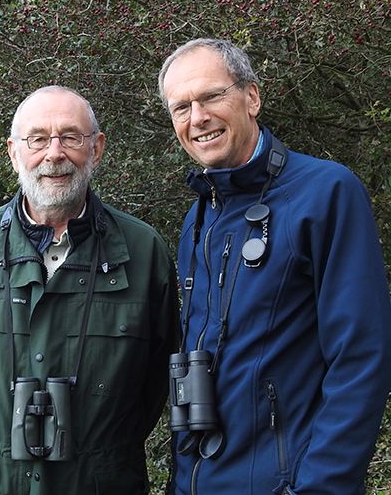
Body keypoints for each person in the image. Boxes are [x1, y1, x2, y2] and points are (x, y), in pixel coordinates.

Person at [158, 38, 391, 494]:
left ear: (252, 97)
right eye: (181, 107)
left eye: (211, 96)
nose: (197, 117)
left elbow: (362, 357)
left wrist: (322, 486)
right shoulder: (198, 217)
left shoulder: (326, 193)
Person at [0, 85, 179, 494]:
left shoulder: (142, 251)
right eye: (38, 139)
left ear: (96, 149)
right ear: (13, 153)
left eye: (71, 137)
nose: (54, 153)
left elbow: (155, 381)